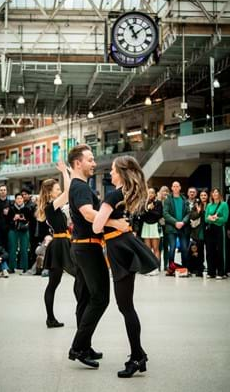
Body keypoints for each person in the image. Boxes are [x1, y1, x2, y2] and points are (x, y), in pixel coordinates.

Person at [93, 155, 159, 378]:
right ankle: (138, 354)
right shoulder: (130, 195)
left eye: (112, 170)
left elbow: (96, 226)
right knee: (126, 305)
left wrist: (108, 220)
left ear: (121, 172)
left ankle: (137, 356)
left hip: (120, 249)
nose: (110, 173)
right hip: (125, 246)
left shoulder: (113, 196)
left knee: (126, 307)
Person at [67, 144, 128, 369]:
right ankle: (77, 346)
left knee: (85, 298)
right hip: (87, 248)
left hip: (82, 248)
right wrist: (115, 223)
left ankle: (84, 345)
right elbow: (89, 214)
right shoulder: (81, 187)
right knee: (100, 298)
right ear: (78, 163)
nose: (94, 163)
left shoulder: (77, 185)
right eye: (90, 159)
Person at [36, 162, 76, 328]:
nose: (59, 191)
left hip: (61, 243)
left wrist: (69, 173)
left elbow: (68, 193)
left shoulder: (54, 207)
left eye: (59, 189)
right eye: (57, 189)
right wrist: (65, 173)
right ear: (50, 192)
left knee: (54, 283)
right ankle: (51, 318)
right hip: (60, 244)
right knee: (58, 282)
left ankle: (51, 318)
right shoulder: (50, 207)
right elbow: (68, 193)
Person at [163, 181, 190, 275]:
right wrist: (175, 222)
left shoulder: (184, 199)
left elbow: (188, 213)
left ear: (180, 188)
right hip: (171, 227)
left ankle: (185, 268)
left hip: (183, 227)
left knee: (184, 248)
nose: (175, 188)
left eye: (177, 186)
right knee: (173, 247)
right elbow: (165, 213)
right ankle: (171, 269)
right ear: (171, 188)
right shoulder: (168, 199)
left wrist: (183, 222)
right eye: (174, 186)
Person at [205, 188, 229, 279]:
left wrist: (216, 219)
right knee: (210, 251)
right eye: (213, 192)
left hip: (219, 228)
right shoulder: (209, 205)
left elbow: (225, 218)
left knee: (220, 250)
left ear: (219, 194)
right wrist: (210, 218)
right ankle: (211, 272)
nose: (215, 194)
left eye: (217, 192)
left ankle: (221, 272)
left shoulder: (224, 204)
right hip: (210, 229)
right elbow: (205, 218)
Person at [140, 187, 163, 274]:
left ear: (155, 194)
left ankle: (156, 268)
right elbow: (142, 215)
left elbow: (158, 215)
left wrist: (150, 210)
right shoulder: (143, 203)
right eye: (149, 193)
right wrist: (148, 209)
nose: (150, 194)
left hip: (155, 226)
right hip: (146, 226)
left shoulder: (158, 203)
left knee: (156, 248)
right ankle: (149, 268)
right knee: (147, 249)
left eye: (152, 193)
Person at [7, 193, 31, 273]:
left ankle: (25, 267)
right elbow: (7, 221)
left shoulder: (27, 208)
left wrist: (23, 219)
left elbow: (30, 221)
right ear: (15, 200)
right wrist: (14, 219)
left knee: (24, 249)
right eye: (18, 198)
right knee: (12, 249)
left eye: (21, 198)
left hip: (24, 230)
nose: (19, 200)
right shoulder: (11, 209)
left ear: (23, 199)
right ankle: (11, 267)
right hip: (13, 230)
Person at [189, 189, 209, 277]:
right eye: (202, 195)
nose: (203, 197)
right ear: (199, 197)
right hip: (198, 232)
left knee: (209, 252)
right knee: (198, 252)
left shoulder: (210, 205)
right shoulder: (196, 205)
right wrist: (198, 211)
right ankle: (199, 269)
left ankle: (211, 269)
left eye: (205, 195)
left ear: (208, 196)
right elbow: (192, 216)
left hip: (209, 231)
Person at [157, 185, 170, 271]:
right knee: (158, 247)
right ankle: (158, 265)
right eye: (163, 191)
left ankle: (166, 265)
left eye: (166, 191)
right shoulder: (157, 201)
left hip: (168, 226)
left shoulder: (169, 202)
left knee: (166, 246)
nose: (164, 193)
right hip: (159, 226)